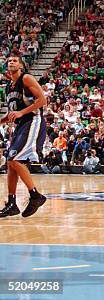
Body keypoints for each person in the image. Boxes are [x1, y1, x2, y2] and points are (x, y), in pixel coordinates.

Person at [0, 55, 47, 217]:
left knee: (15, 159)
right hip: (21, 124)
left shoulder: (26, 78)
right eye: (9, 61)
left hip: (33, 120)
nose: (11, 62)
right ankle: (12, 202)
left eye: (14, 60)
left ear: (21, 65)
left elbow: (42, 100)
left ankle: (35, 195)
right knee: (10, 162)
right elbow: (11, 113)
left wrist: (21, 112)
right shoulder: (8, 87)